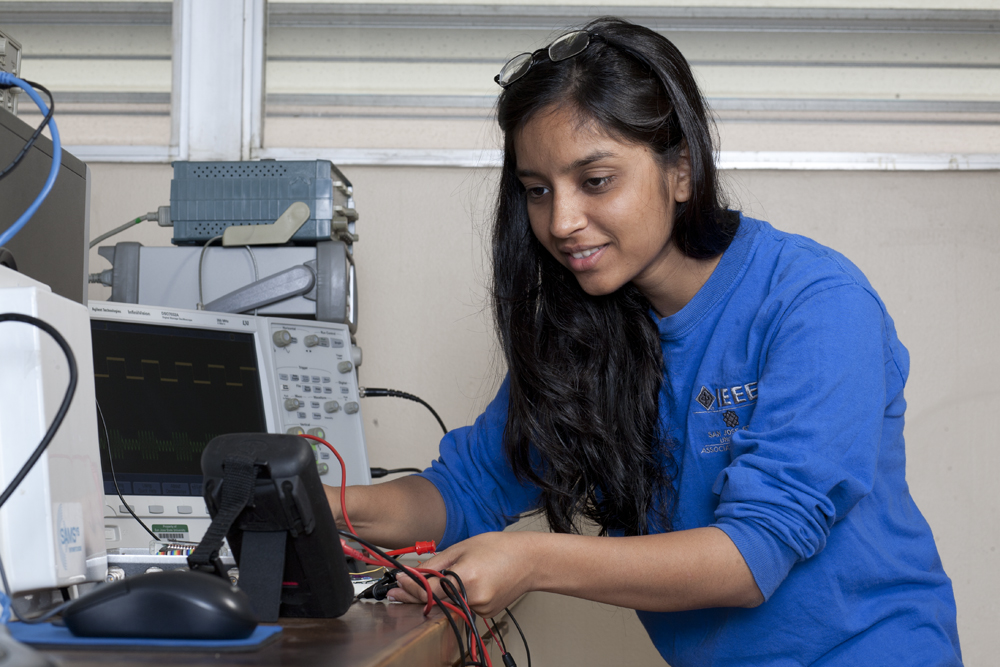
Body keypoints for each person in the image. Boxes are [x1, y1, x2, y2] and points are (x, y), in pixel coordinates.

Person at [326, 16, 962, 666]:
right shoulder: (585, 331)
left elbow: (752, 555)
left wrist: (530, 558)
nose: (562, 221)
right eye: (538, 191)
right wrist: (316, 502)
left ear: (681, 171)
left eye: (596, 180)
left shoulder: (816, 302)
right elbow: (468, 490)